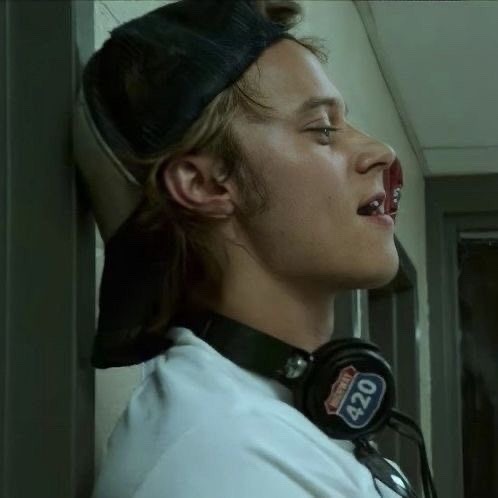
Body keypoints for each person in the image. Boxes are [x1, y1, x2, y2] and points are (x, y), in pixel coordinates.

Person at [73, 1, 434, 497]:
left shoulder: (271, 418)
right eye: (322, 130)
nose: (381, 152)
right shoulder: (219, 461)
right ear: (205, 184)